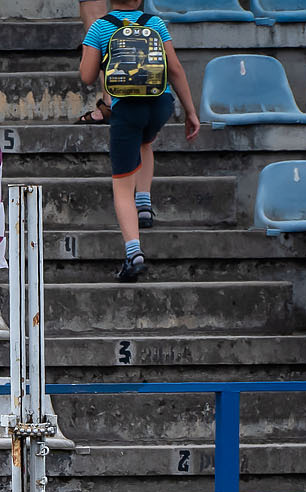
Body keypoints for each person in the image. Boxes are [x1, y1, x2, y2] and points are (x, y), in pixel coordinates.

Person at [77, 3, 200, 284]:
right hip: (160, 103)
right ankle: (144, 203)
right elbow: (176, 68)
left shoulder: (100, 27)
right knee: (146, 140)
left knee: (122, 183)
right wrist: (191, 111)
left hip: (127, 107)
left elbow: (86, 76)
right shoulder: (154, 23)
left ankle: (133, 252)